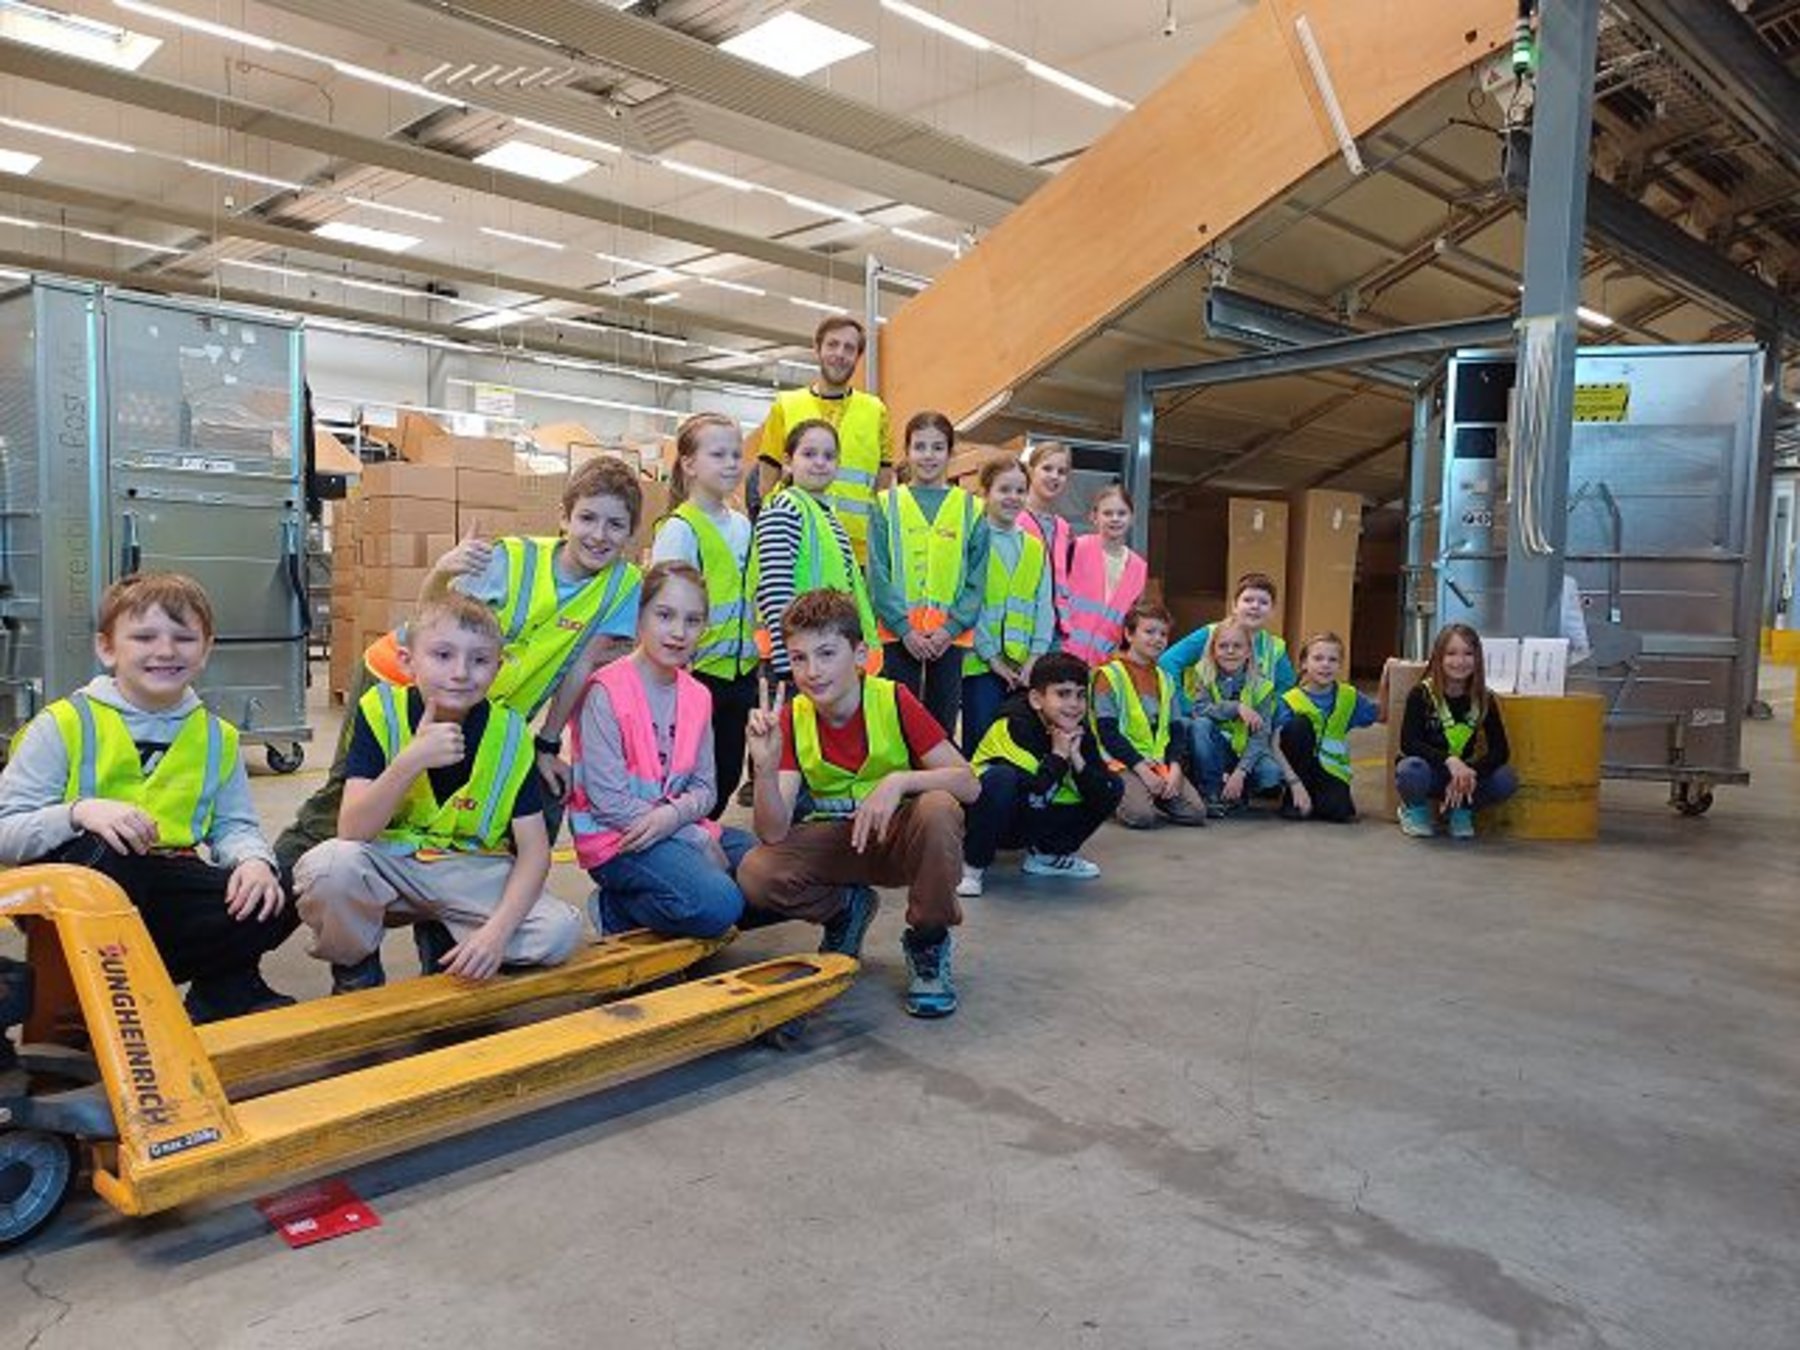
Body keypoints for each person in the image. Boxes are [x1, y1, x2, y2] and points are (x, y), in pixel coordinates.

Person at [277, 455, 644, 871]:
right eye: (587, 518)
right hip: (401, 676)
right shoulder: (511, 559)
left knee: (470, 804)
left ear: (631, 533)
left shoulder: (624, 585)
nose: (599, 535)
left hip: (471, 700)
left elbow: (581, 664)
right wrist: (439, 575)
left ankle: (460, 903)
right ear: (564, 517)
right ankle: (268, 886)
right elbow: (432, 627)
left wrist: (546, 745)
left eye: (615, 524)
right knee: (347, 799)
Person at [0, 573, 295, 1022]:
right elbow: (6, 833)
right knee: (112, 850)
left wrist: (253, 861)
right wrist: (79, 813)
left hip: (168, 882)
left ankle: (224, 991)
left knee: (282, 887)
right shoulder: (64, 724)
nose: (165, 650)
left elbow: (234, 826)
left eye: (184, 638)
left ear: (206, 650)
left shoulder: (218, 737)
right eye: (143, 637)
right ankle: (83, 1002)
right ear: (107, 648)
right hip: (76, 891)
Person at [292, 594, 582, 992]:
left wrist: (496, 934)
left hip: (469, 869)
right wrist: (411, 760)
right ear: (407, 661)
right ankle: (356, 969)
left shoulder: (510, 734)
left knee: (559, 931)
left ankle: (457, 942)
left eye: (479, 660)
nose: (460, 672)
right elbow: (353, 831)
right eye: (443, 655)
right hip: (392, 865)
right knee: (328, 869)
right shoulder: (380, 710)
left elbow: (534, 852)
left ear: (497, 669)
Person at [736, 590, 978, 1018]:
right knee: (756, 871)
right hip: (840, 844)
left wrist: (900, 780)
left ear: (861, 654)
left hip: (899, 839)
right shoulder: (791, 717)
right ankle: (846, 910)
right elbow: (772, 832)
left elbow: (969, 785)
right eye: (799, 658)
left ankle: (928, 941)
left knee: (940, 808)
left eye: (827, 654)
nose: (813, 671)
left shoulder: (893, 699)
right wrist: (766, 770)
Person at [569, 563, 752, 936]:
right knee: (720, 902)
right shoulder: (605, 691)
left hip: (675, 826)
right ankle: (617, 909)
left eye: (692, 620)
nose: (679, 633)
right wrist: (693, 837)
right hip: (619, 839)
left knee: (766, 870)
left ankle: (649, 908)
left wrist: (676, 821)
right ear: (639, 618)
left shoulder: (698, 695)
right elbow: (609, 803)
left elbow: (705, 789)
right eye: (665, 615)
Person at [652, 412, 758, 817]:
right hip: (697, 675)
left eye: (736, 454)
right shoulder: (680, 530)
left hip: (741, 673)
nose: (732, 463)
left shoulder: (743, 526)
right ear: (689, 464)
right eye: (719, 455)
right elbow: (664, 610)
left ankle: (704, 831)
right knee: (687, 772)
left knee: (726, 772)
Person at [960, 651, 1122, 896]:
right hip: (995, 817)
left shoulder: (1079, 730)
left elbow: (1103, 792)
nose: (1074, 704)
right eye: (1063, 694)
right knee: (1001, 779)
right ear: (1036, 699)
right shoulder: (1013, 725)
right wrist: (1059, 756)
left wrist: (1077, 760)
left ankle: (1047, 856)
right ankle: (972, 866)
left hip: (1037, 809)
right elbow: (1034, 792)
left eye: (1080, 695)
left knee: (1112, 786)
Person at [868, 410, 988, 737]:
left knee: (940, 728)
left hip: (948, 639)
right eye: (919, 447)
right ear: (907, 451)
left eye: (937, 447)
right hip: (898, 637)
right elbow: (878, 574)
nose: (928, 455)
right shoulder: (885, 505)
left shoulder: (971, 508)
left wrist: (949, 629)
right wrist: (905, 629)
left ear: (950, 453)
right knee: (896, 723)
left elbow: (976, 579)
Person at [751, 418, 880, 688]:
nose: (820, 462)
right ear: (788, 462)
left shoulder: (827, 517)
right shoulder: (784, 508)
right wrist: (790, 664)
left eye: (829, 456)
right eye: (809, 454)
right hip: (797, 665)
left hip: (822, 660)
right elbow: (775, 588)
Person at [756, 314, 892, 561]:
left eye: (849, 348)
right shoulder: (785, 405)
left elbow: (882, 489)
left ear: (858, 356)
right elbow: (766, 486)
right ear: (817, 348)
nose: (840, 354)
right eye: (832, 344)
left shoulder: (876, 411)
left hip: (858, 549)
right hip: (798, 541)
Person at [960, 456, 1055, 758]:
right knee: (980, 747)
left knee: (1020, 750)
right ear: (985, 492)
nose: (1013, 497)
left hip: (1024, 670)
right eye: (1004, 490)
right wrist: (993, 659)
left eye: (1020, 490)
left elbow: (1044, 607)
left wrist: (1034, 659)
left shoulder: (1035, 547)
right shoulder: (970, 542)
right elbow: (967, 606)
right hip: (980, 666)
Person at [1091, 601, 1208, 829]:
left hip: (1157, 761)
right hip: (1121, 763)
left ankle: (1148, 791)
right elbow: (1107, 733)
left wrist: (1175, 768)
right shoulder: (1109, 675)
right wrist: (1142, 770)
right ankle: (1115, 794)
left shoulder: (1165, 679)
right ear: (1129, 634)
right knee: (1141, 817)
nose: (1158, 639)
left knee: (1195, 812)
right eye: (1149, 631)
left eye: (1163, 634)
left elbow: (1176, 730)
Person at [1395, 623, 1518, 839]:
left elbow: (1500, 750)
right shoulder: (1421, 694)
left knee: (1505, 779)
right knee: (1410, 769)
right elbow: (1409, 742)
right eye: (1451, 653)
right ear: (1439, 658)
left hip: (1465, 776)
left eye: (1468, 654)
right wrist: (1449, 761)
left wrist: (1471, 772)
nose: (1459, 661)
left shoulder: (1485, 699)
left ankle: (1461, 809)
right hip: (1432, 772)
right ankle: (1414, 809)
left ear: (1477, 658)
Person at [1186, 618, 1291, 816]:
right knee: (1200, 725)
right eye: (1223, 646)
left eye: (1237, 646)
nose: (1230, 651)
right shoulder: (1204, 674)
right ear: (1213, 651)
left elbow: (1261, 735)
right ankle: (1211, 792)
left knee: (1271, 774)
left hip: (1246, 751)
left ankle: (1238, 790)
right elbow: (1199, 710)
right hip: (1217, 749)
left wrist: (1241, 772)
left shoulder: (1262, 686)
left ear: (1249, 651)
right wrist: (1236, 708)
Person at [1277, 631, 1382, 823]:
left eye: (1333, 660)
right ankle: (1293, 795)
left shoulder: (1349, 696)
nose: (1325, 664)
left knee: (1339, 813)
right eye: (1318, 658)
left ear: (1340, 665)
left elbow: (1381, 715)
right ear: (1304, 664)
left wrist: (1388, 677)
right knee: (1299, 726)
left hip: (1331, 771)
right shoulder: (1289, 700)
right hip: (1298, 772)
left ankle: (1317, 799)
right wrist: (1294, 783)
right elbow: (1273, 744)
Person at [1161, 572, 1297, 699]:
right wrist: (1183, 705)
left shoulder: (1275, 647)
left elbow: (1286, 690)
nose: (1255, 606)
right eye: (1248, 600)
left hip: (1253, 717)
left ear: (1272, 611)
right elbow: (1168, 662)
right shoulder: (1210, 634)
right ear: (1234, 606)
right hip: (1204, 715)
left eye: (1263, 602)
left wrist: (1269, 713)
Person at [1063, 483, 1147, 668]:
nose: (1115, 519)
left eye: (1121, 513)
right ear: (1094, 517)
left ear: (1132, 518)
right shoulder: (1077, 548)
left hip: (1103, 664)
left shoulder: (1139, 568)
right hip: (1063, 655)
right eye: (1108, 513)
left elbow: (1131, 622)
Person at [1017, 441, 1076, 640]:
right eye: (1047, 468)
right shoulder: (1013, 518)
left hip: (1054, 631)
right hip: (1019, 628)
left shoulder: (1064, 528)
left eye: (1062, 472)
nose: (1054, 476)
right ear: (1031, 470)